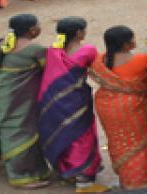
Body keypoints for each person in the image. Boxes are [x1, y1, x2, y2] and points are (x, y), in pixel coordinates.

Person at [38, 17, 107, 192]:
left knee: (64, 133)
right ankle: (84, 181)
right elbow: (100, 72)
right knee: (82, 136)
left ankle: (67, 170)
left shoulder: (54, 51)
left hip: (55, 101)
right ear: (78, 33)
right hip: (78, 101)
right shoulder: (88, 50)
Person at [0, 14, 50, 189]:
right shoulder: (35, 49)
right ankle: (20, 176)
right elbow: (51, 71)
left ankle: (36, 170)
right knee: (21, 134)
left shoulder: (2, 45)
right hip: (17, 100)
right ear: (32, 30)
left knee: (12, 132)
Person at [90, 26, 147, 190]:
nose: (135, 41)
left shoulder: (98, 61)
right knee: (140, 144)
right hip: (134, 107)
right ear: (126, 44)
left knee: (119, 142)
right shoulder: (142, 60)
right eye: (132, 39)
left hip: (108, 106)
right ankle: (140, 182)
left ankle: (126, 180)